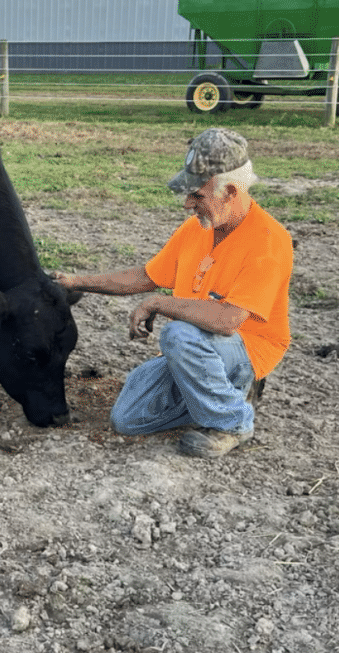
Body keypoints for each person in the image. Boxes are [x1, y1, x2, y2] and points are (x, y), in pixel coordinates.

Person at [56, 128, 293, 461]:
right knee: (127, 418)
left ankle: (233, 422)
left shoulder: (269, 240)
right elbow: (145, 276)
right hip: (199, 350)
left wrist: (159, 303)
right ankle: (226, 398)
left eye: (197, 195)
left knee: (179, 335)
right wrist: (76, 281)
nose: (187, 204)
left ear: (229, 191)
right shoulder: (196, 230)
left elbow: (228, 321)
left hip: (246, 349)